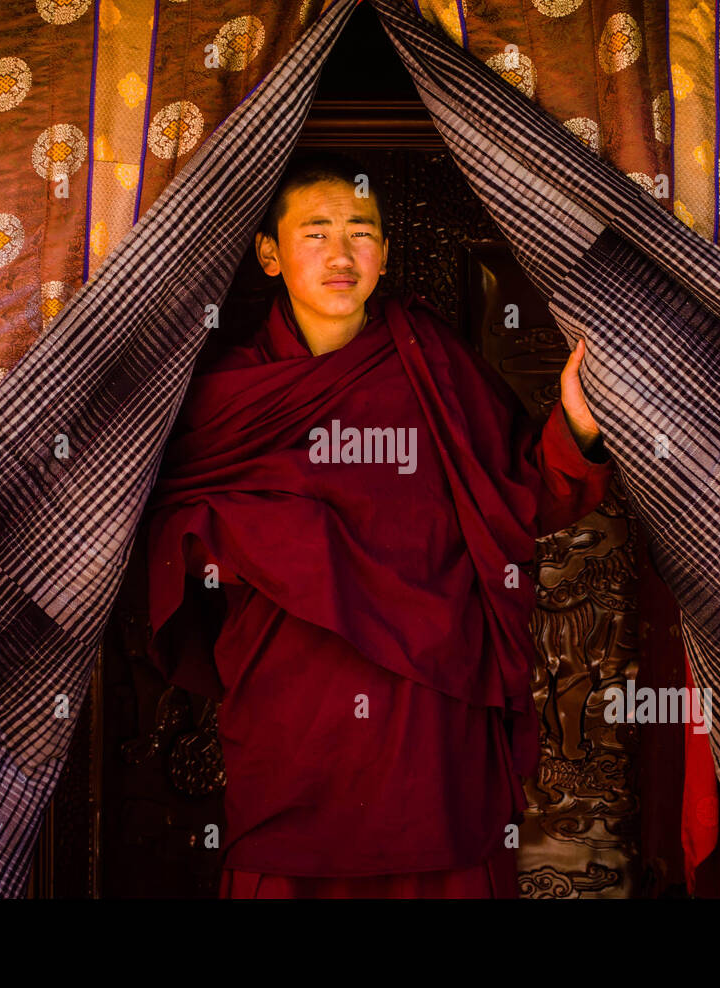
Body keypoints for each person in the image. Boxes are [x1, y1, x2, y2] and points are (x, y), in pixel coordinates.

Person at [141, 150, 613, 898]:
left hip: (431, 711)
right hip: (293, 711)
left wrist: (578, 423)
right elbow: (173, 530)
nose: (341, 255)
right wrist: (266, 542)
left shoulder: (434, 365)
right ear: (270, 254)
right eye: (316, 233)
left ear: (385, 254)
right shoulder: (223, 395)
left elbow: (524, 496)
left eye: (360, 233)